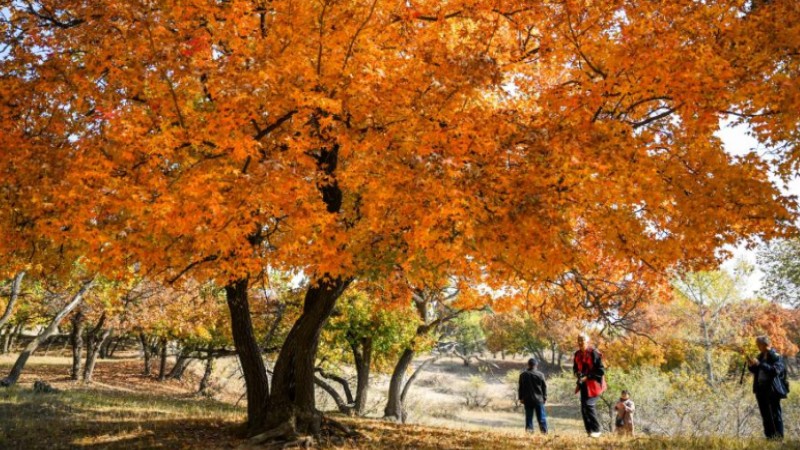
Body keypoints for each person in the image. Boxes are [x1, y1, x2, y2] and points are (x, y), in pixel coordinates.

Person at [747, 335, 786, 440]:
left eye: (758, 344)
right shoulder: (760, 356)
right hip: (760, 389)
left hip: (772, 390)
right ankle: (769, 438)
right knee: (765, 415)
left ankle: (779, 438)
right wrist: (751, 365)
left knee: (775, 414)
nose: (757, 346)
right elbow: (757, 371)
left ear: (765, 345)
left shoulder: (776, 356)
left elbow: (774, 371)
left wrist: (760, 364)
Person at [573, 333, 606, 438]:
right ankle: (589, 431)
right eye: (579, 340)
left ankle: (597, 430)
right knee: (583, 408)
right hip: (583, 385)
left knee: (589, 405)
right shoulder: (577, 354)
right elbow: (575, 368)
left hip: (595, 384)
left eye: (582, 340)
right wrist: (577, 374)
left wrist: (587, 377)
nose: (580, 342)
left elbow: (600, 370)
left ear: (587, 341)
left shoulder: (594, 353)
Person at [518, 358, 548, 434]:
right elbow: (544, 387)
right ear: (536, 365)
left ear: (528, 365)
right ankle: (544, 433)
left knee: (529, 418)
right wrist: (544, 398)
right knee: (541, 418)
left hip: (527, 400)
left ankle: (529, 433)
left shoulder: (523, 375)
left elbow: (520, 388)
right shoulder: (540, 375)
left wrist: (521, 398)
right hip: (539, 400)